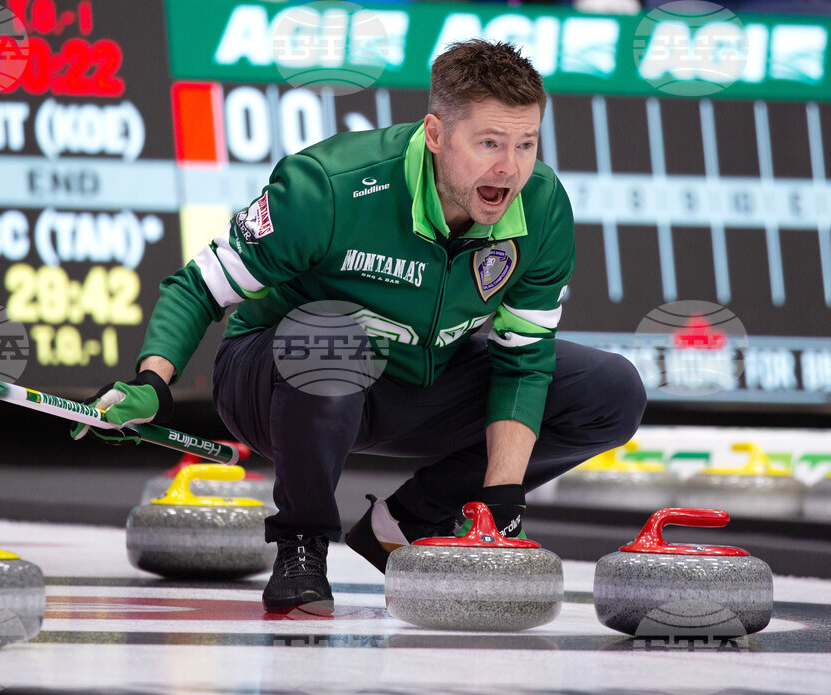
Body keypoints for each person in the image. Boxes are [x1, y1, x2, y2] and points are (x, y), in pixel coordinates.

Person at [72, 39, 646, 614]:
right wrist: (151, 382)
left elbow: (523, 361)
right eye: (490, 143)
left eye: (527, 144)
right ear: (437, 134)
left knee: (611, 391)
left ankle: (410, 519)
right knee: (331, 335)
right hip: (274, 381)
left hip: (414, 385)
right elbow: (197, 286)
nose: (511, 168)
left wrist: (500, 498)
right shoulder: (329, 186)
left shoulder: (541, 208)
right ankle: (303, 544)